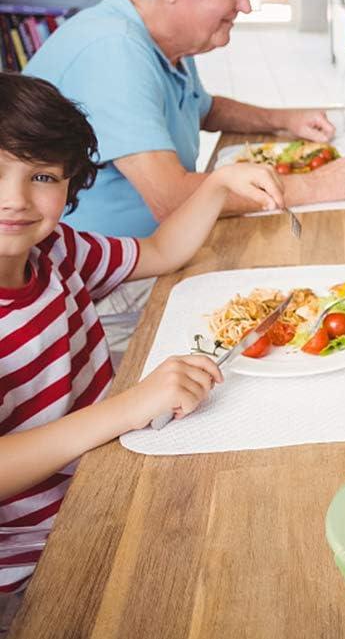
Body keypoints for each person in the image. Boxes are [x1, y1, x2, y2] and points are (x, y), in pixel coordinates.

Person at [0, 73, 285, 613]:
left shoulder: (56, 249)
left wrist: (218, 185)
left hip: (120, 466)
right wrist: (130, 407)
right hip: (45, 557)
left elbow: (159, 251)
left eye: (40, 174)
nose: (14, 200)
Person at [25, 0, 345, 240]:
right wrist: (316, 186)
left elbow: (204, 109)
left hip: (159, 248)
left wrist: (285, 120)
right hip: (105, 278)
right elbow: (171, 199)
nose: (246, 5)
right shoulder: (113, 51)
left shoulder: (167, 38)